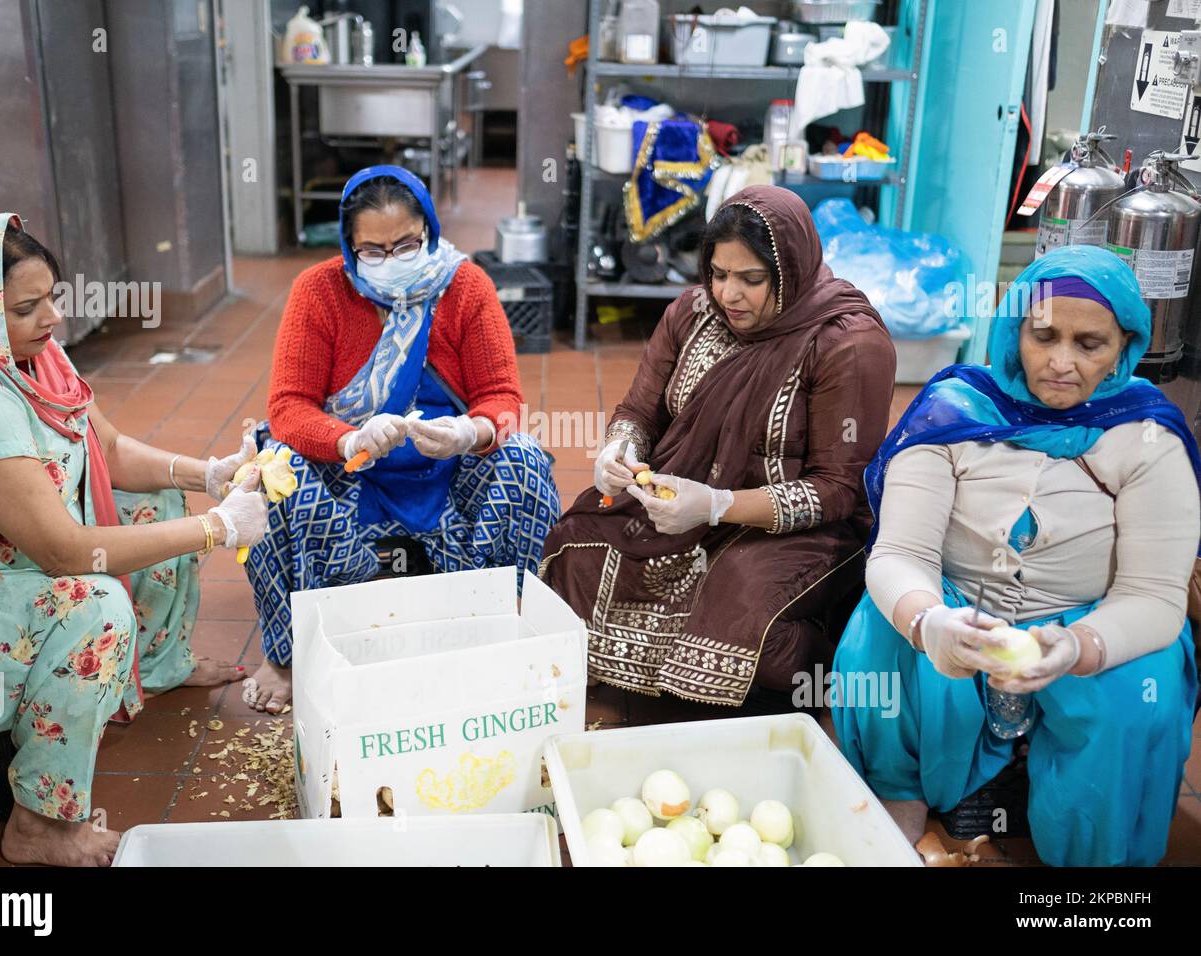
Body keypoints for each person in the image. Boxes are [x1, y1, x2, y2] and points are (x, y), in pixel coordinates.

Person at [0, 208, 269, 866]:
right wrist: (216, 530)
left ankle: (160, 667)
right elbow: (65, 553)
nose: (50, 320)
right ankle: (40, 821)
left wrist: (208, 476)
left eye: (52, 300)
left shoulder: (32, 356)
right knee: (93, 603)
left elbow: (115, 450)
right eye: (25, 307)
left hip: (21, 553)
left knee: (154, 501)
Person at [832, 245, 1201, 866]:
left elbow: (1154, 597)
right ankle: (897, 796)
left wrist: (1079, 646)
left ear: (1125, 347)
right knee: (880, 631)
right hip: (959, 610)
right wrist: (930, 622)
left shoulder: (1147, 436)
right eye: (1043, 336)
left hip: (1090, 620)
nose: (1061, 363)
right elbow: (900, 553)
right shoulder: (952, 412)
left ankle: (1093, 861)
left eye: (1091, 344)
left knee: (1146, 684)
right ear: (1012, 330)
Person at [539, 185, 896, 706]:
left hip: (792, 528)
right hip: (679, 506)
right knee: (578, 552)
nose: (729, 295)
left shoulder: (846, 342)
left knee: (742, 611)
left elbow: (837, 491)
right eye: (719, 274)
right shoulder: (692, 312)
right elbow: (641, 410)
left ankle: (836, 663)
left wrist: (718, 506)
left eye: (752, 280)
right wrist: (621, 450)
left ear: (791, 270)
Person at [241, 165, 559, 714]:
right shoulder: (320, 291)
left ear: (430, 230)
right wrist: (347, 440)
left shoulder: (465, 286)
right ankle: (288, 654)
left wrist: (469, 432)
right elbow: (289, 406)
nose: (391, 260)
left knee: (525, 461)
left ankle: (506, 623)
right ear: (348, 246)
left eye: (407, 244)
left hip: (443, 468)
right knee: (270, 470)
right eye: (373, 250)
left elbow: (502, 398)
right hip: (350, 466)